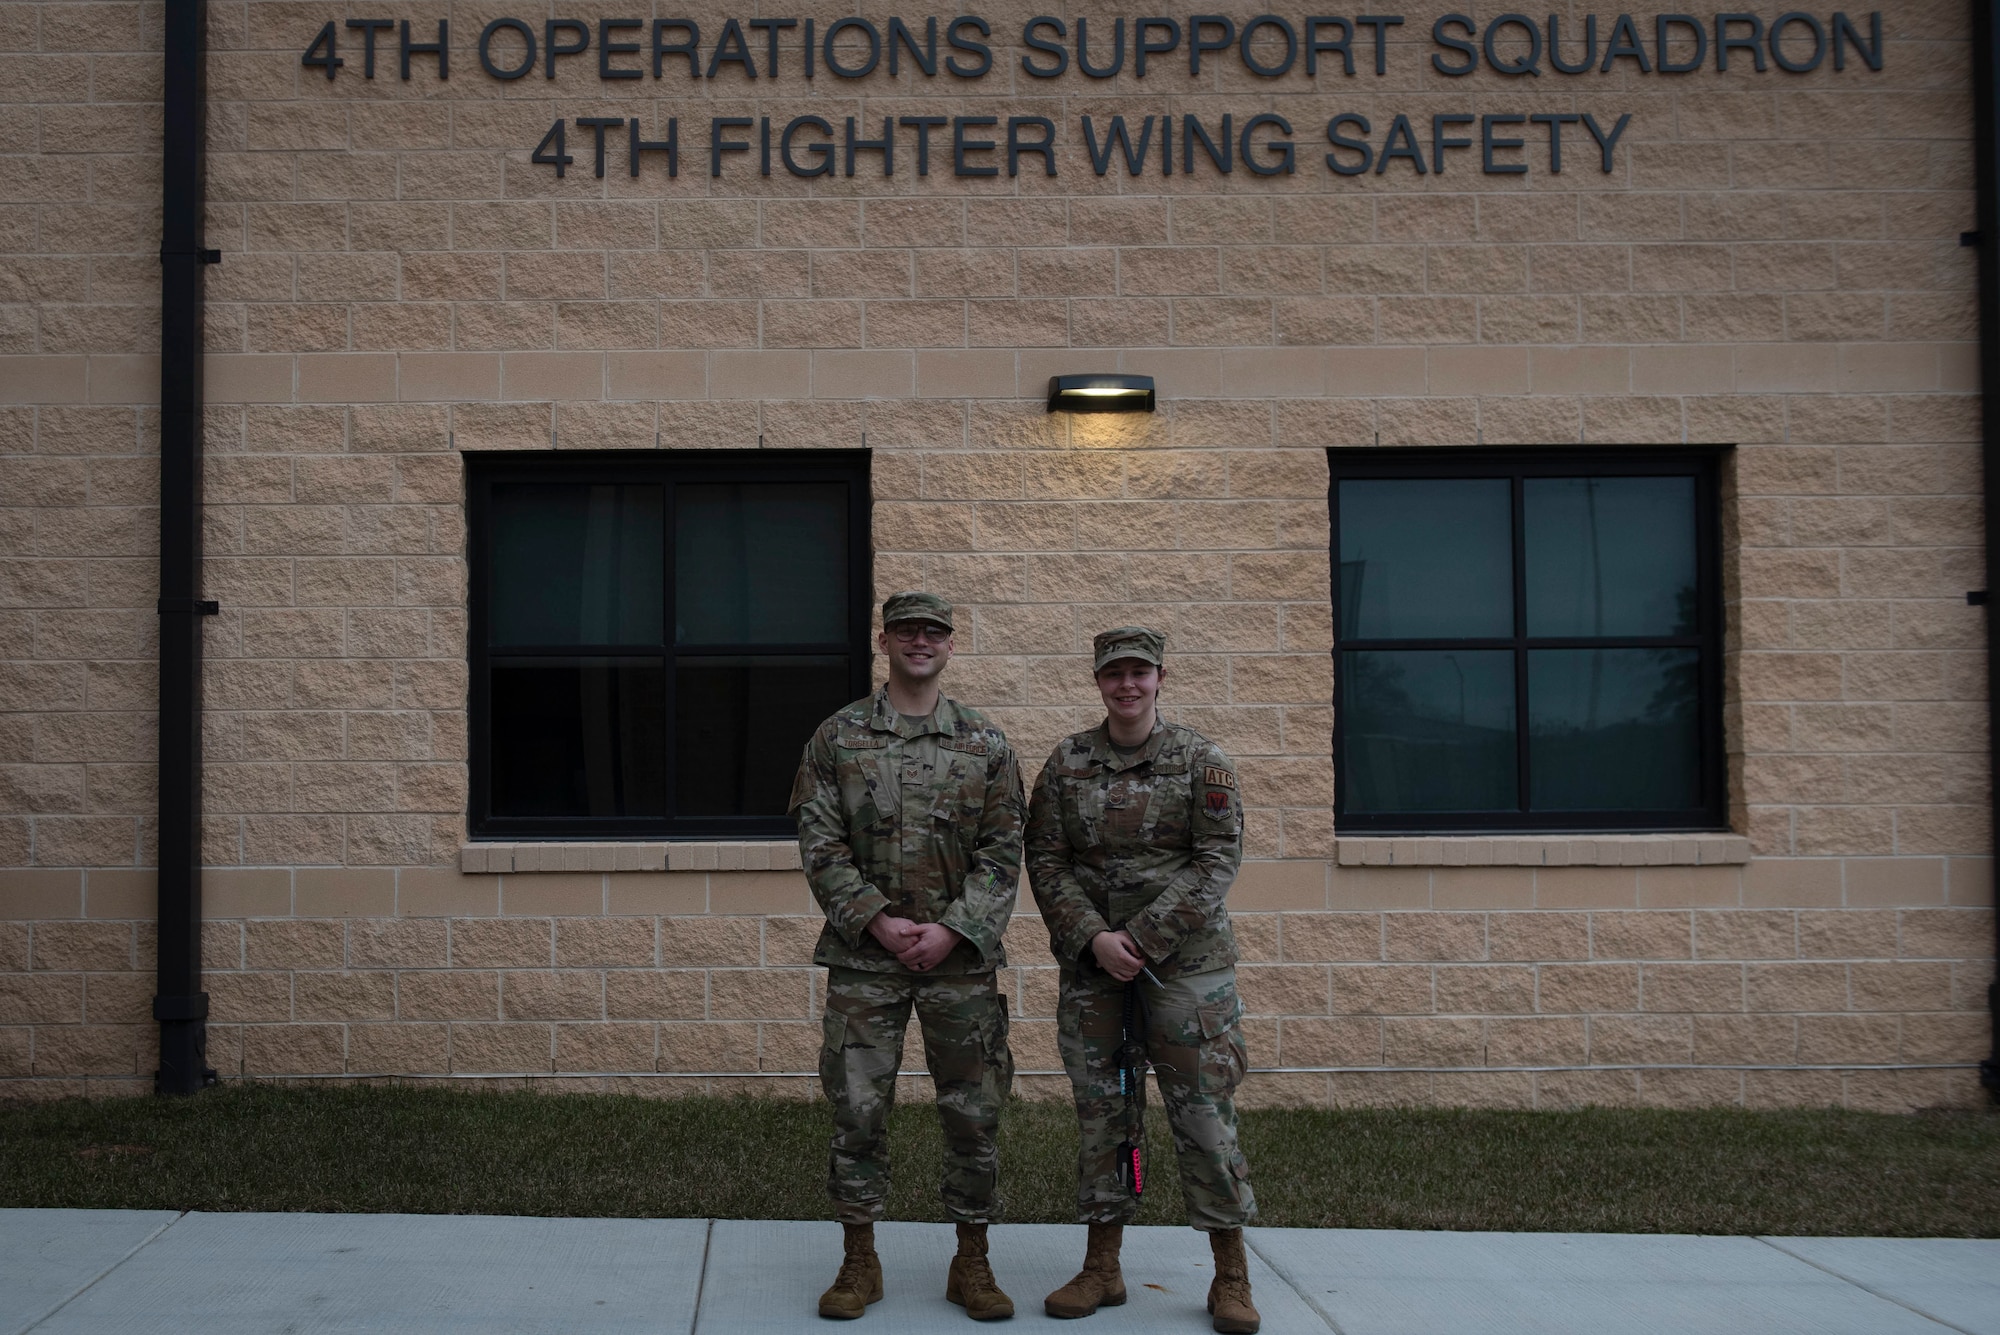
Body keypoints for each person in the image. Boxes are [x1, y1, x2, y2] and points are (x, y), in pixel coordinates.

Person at [788, 591, 1025, 1323]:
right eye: (908, 630)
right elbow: (819, 842)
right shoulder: (839, 737)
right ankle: (860, 1258)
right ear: (883, 638)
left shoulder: (984, 741)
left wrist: (953, 929)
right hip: (867, 959)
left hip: (961, 964)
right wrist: (879, 922)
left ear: (951, 645)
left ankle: (972, 1262)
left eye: (935, 632)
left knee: (974, 1112)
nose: (921, 641)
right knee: (857, 1108)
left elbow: (1003, 849)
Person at [1025, 626, 1261, 1334]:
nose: (1126, 684)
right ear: (1097, 680)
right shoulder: (1067, 762)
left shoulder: (1200, 761)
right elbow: (1045, 858)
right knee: (1107, 1115)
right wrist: (1095, 939)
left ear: (1161, 676)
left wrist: (1141, 936)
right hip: (1097, 971)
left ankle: (1231, 1272)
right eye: (1113, 673)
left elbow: (1217, 859)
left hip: (1185, 971)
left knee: (1202, 1116)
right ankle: (1103, 1263)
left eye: (1139, 672)